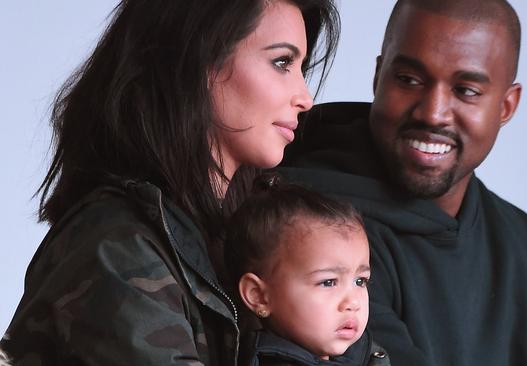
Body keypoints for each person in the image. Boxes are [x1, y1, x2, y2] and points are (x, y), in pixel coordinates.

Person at [1, 0, 339, 365]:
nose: (305, 98)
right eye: (282, 63)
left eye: (301, 67)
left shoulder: (245, 235)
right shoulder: (117, 248)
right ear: (197, 62)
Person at [279, 0, 527, 365]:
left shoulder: (520, 244)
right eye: (409, 80)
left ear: (506, 106)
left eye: (466, 91)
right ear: (379, 75)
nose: (433, 113)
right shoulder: (303, 223)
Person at [224, 173, 389, 365]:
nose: (353, 302)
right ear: (259, 295)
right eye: (328, 282)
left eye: (360, 281)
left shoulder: (364, 354)